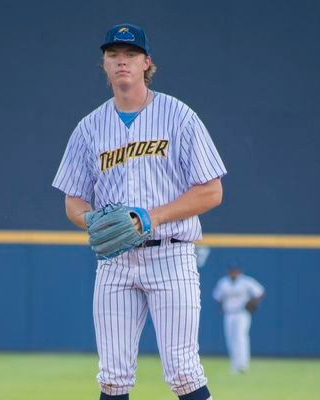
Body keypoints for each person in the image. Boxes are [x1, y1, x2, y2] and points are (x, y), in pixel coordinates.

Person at [53, 23, 227, 400]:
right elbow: (73, 200)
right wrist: (93, 220)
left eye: (130, 55)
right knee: (112, 377)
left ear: (147, 63)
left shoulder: (178, 117)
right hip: (114, 260)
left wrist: (151, 217)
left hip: (171, 253)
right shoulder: (90, 128)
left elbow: (212, 191)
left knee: (183, 371)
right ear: (103, 64)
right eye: (113, 55)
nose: (122, 62)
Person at [212, 266, 265, 374]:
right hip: (229, 313)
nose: (234, 273)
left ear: (239, 271)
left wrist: (253, 303)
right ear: (229, 272)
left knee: (241, 338)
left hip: (242, 313)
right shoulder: (224, 283)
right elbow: (217, 297)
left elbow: (260, 292)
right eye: (232, 271)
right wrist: (222, 307)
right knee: (230, 339)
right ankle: (235, 365)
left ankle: (243, 365)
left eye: (235, 271)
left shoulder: (245, 281)